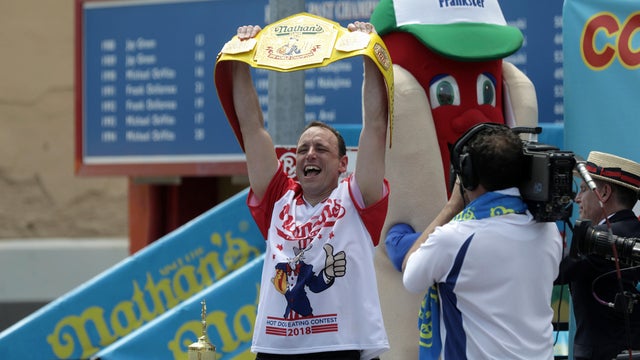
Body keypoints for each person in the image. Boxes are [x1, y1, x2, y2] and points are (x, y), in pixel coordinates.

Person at [220, 22, 390, 360]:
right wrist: (240, 55)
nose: (310, 154)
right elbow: (252, 129)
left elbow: (375, 125)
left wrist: (370, 54)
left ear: (344, 164)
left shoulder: (357, 197)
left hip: (341, 346)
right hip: (277, 348)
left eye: (321, 149)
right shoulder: (278, 198)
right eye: (303, 149)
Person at [399, 122, 563, 359]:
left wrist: (451, 207)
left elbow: (410, 276)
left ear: (468, 175)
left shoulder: (454, 238)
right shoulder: (548, 231)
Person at [556, 151, 640, 360]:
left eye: (583, 189)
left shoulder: (602, 237)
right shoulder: (632, 231)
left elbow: (556, 272)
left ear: (603, 194)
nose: (576, 199)